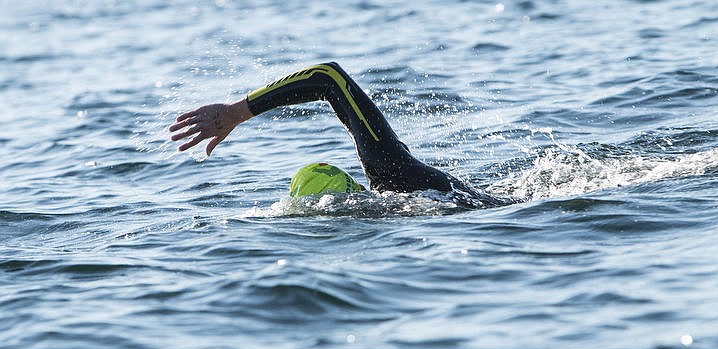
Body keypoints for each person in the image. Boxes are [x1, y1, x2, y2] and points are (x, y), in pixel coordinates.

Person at [169, 62, 513, 207]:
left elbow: (329, 75)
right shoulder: (394, 182)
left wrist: (237, 111)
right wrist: (238, 113)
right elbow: (327, 79)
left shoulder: (391, 174)